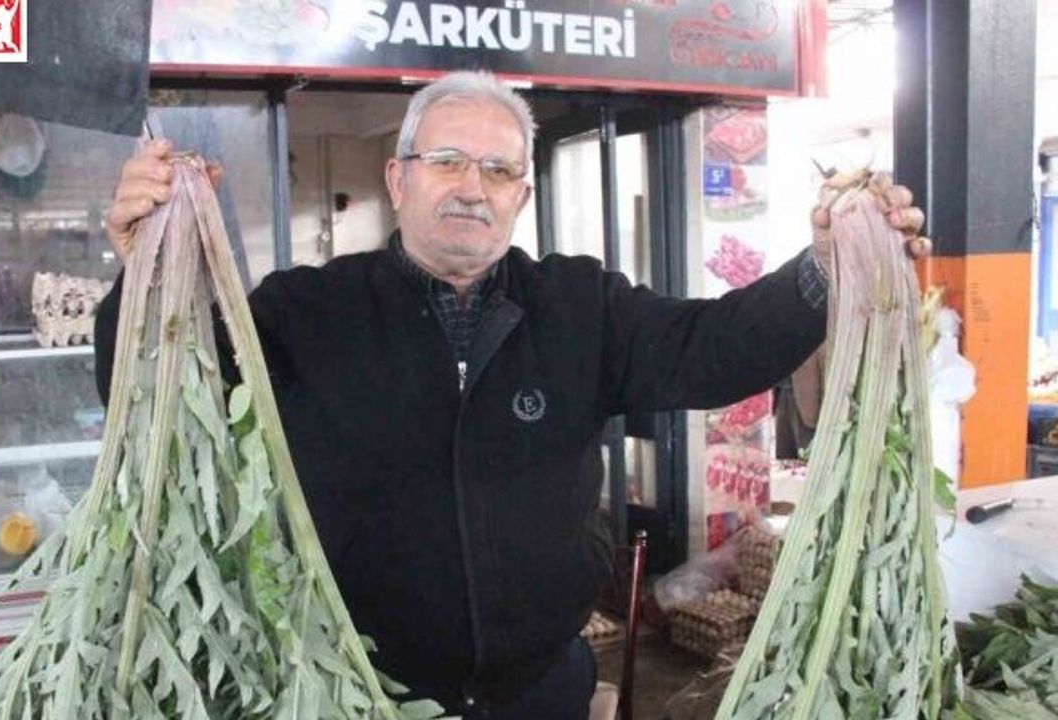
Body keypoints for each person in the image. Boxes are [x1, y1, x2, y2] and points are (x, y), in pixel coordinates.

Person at [96, 71, 926, 719]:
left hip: (539, 695)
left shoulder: (580, 305)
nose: (473, 187)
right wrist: (143, 269)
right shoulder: (306, 310)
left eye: (499, 170)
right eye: (448, 161)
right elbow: (160, 396)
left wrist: (825, 268)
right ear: (398, 177)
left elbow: (712, 348)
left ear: (521, 198)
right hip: (351, 689)